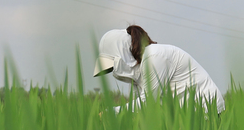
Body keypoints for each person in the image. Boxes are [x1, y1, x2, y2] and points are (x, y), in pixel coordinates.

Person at [94, 25, 225, 113]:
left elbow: (148, 102)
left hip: (205, 109)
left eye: (112, 66)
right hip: (185, 113)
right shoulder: (140, 70)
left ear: (122, 54)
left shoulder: (154, 56)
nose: (114, 72)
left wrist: (112, 113)